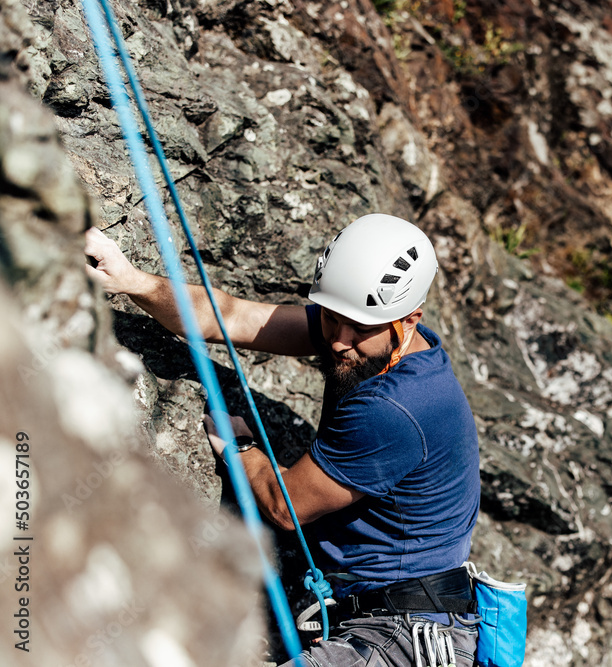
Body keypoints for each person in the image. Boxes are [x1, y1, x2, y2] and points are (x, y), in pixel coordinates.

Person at [85, 213, 482, 667]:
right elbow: (231, 318)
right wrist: (134, 281)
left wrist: (242, 450)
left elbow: (283, 504)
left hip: (407, 635)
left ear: (409, 320)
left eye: (359, 328)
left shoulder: (398, 407)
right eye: (333, 319)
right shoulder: (371, 331)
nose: (339, 341)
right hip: (386, 619)